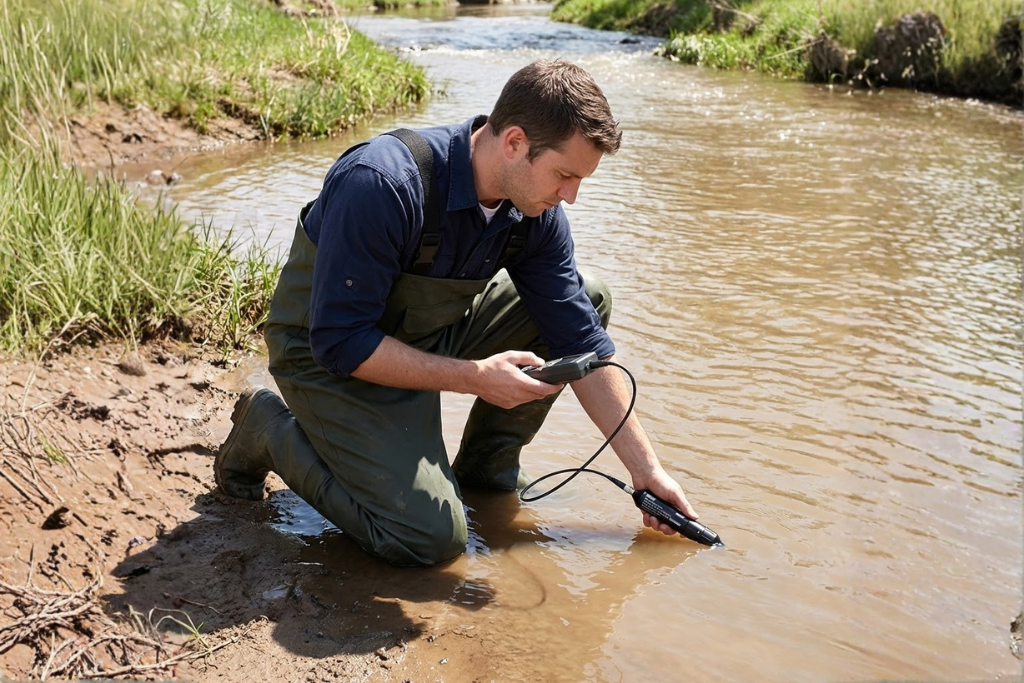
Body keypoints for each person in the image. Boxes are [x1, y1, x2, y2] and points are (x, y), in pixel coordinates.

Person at [214, 59, 698, 566]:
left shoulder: (535, 211)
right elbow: (339, 342)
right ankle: (271, 431)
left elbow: (580, 344)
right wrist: (473, 378)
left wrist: (648, 472)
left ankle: (486, 473)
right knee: (430, 541)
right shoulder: (383, 181)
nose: (570, 197)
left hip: (424, 335)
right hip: (325, 355)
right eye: (565, 175)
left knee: (589, 296)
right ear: (514, 143)